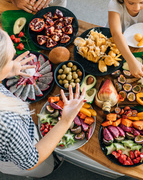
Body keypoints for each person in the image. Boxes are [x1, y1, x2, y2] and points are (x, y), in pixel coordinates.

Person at [0, 29, 86, 178]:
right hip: (19, 159)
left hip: (19, 136)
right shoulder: (8, 124)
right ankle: (54, 165)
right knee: (45, 168)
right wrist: (66, 120)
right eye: (10, 58)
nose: (15, 54)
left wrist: (8, 70)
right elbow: (31, 161)